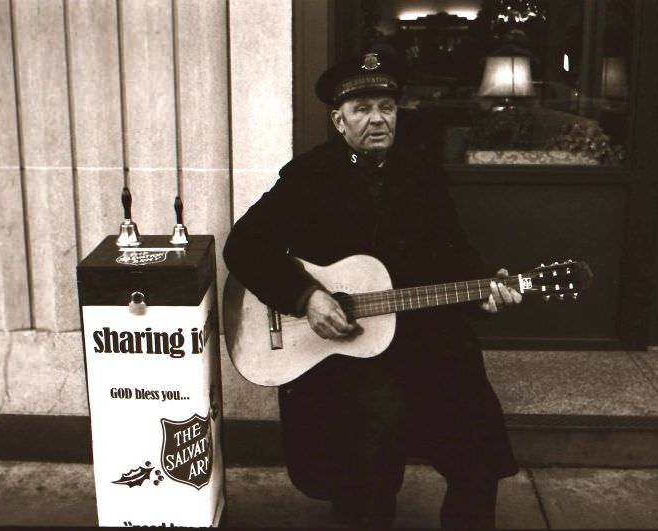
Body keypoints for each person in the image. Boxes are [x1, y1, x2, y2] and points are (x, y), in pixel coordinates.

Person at [223, 51, 522, 529]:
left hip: (424, 337)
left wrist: (485, 294)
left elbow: (457, 256)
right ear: (339, 121)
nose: (377, 118)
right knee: (366, 450)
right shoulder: (308, 176)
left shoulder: (422, 173)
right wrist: (307, 297)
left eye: (387, 106)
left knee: (476, 438)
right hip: (347, 351)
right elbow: (244, 247)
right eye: (362, 109)